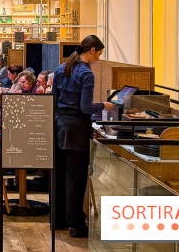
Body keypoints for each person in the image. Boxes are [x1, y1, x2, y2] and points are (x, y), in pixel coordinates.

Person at [52, 35, 114, 239]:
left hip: (59, 127)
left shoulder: (61, 69)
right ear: (92, 50)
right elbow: (85, 108)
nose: (98, 59)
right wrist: (104, 105)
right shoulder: (86, 74)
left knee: (59, 176)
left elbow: (53, 100)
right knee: (75, 180)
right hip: (77, 131)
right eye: (99, 54)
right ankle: (76, 226)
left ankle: (58, 219)